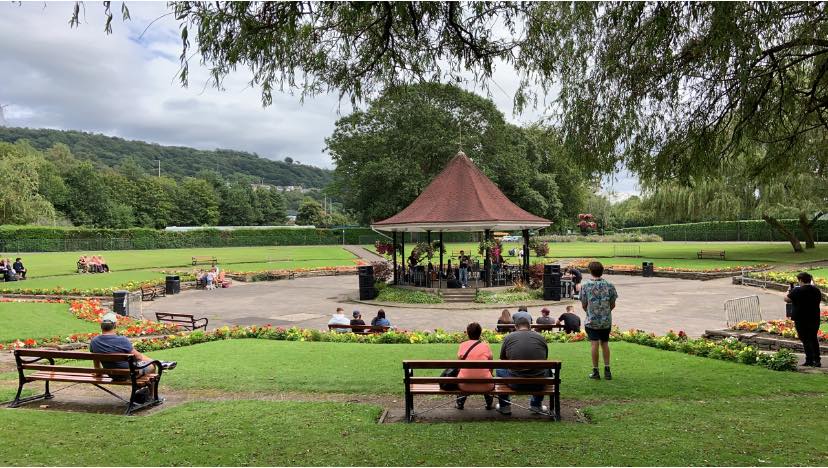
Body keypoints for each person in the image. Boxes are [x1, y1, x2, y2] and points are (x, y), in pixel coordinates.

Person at [496, 316, 549, 415]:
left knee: (499, 368)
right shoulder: (540, 337)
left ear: (516, 326)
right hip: (538, 383)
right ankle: (536, 405)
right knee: (547, 369)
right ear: (529, 326)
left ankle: (505, 406)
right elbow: (544, 357)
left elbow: (503, 360)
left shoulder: (509, 337)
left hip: (515, 382)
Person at [580, 261, 618, 380]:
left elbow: (584, 304)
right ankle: (607, 370)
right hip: (606, 320)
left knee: (594, 344)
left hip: (592, 320)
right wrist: (605, 312)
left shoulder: (585, 286)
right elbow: (613, 304)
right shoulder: (610, 285)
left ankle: (595, 371)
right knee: (605, 343)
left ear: (590, 271)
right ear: (602, 271)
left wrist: (590, 312)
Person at [784, 272, 822, 367]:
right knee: (813, 338)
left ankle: (809, 360)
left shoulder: (797, 291)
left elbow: (786, 299)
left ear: (800, 280)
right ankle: (817, 360)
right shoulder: (816, 290)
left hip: (801, 318)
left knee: (805, 339)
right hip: (814, 318)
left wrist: (789, 290)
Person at [455, 322, 494, 410]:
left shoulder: (462, 345)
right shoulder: (486, 346)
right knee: (486, 375)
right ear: (480, 333)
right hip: (486, 385)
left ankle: (460, 403)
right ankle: (489, 403)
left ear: (468, 333)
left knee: (464, 374)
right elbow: (491, 365)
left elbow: (460, 364)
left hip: (464, 385)